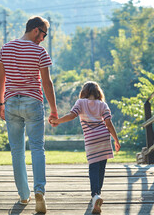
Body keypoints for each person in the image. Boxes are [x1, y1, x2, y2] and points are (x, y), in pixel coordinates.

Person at [0, 16, 58, 214]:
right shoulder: (39, 51)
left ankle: (24, 194)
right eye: (43, 34)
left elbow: (1, 79)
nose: (43, 39)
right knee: (37, 148)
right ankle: (39, 190)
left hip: (12, 102)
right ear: (35, 30)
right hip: (33, 102)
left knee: (16, 151)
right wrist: (54, 109)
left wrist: (1, 104)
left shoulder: (6, 48)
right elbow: (47, 83)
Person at [50, 81, 121, 214]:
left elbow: (72, 115)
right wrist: (116, 140)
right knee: (101, 168)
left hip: (91, 140)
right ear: (98, 93)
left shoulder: (80, 102)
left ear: (84, 92)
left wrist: (57, 121)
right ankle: (97, 194)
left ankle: (95, 196)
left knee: (93, 168)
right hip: (104, 138)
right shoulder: (103, 104)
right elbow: (109, 123)